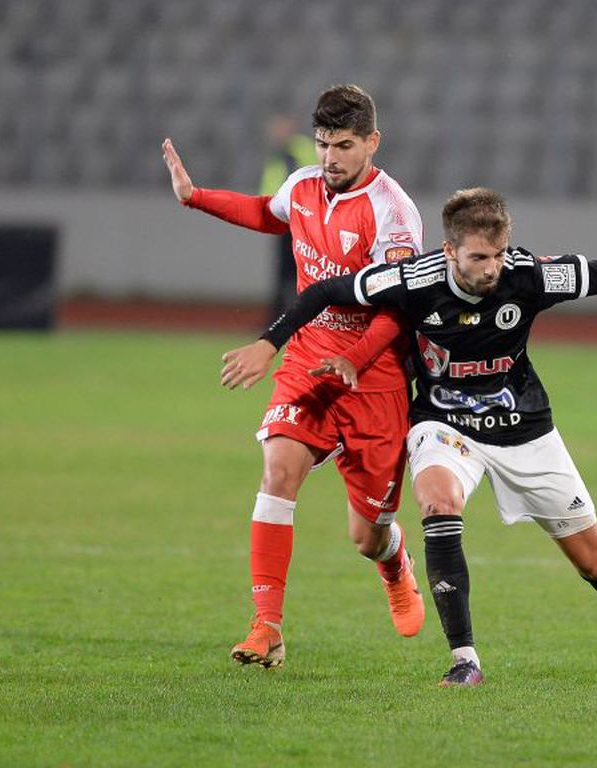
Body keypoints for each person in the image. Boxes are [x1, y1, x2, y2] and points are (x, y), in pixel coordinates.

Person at [220, 187, 597, 685]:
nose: (492, 269)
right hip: (445, 424)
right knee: (437, 502)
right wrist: (270, 343)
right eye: (479, 257)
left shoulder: (528, 276)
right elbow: (325, 292)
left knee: (594, 560)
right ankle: (465, 660)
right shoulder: (415, 279)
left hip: (524, 427)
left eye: (499, 255)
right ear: (450, 250)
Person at [162, 84, 426, 668]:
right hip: (308, 359)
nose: (330, 157)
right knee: (278, 473)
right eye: (324, 143)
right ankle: (267, 627)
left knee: (368, 533)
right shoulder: (303, 184)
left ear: (372, 143)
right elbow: (268, 213)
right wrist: (195, 197)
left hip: (373, 374)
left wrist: (355, 359)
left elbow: (397, 310)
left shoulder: (394, 213)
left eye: (345, 145)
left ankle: (393, 560)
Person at [259, 114, 319, 319]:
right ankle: (280, 318)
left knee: (300, 271)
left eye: (280, 127)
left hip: (300, 221)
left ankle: (297, 318)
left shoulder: (298, 150)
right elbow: (270, 188)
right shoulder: (279, 155)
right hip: (283, 221)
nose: (276, 133)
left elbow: (310, 181)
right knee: (285, 272)